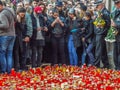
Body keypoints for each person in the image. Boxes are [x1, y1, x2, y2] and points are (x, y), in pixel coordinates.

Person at [94, 0, 111, 68]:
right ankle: (106, 64)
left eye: (97, 6)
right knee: (102, 50)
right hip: (100, 32)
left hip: (101, 33)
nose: (96, 7)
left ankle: (96, 65)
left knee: (98, 50)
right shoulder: (101, 12)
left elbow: (108, 23)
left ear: (101, 5)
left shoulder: (105, 13)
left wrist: (102, 24)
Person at [0, 1, 16, 73]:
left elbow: (5, 25)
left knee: (2, 53)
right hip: (12, 34)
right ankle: (9, 71)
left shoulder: (2, 14)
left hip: (4, 35)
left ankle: (4, 71)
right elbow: (15, 20)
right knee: (9, 53)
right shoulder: (11, 11)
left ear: (0, 6)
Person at [111, 0, 120, 70]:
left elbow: (116, 23)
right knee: (115, 53)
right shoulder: (115, 12)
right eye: (116, 4)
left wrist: (116, 25)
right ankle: (116, 67)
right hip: (115, 35)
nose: (116, 5)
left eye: (117, 3)